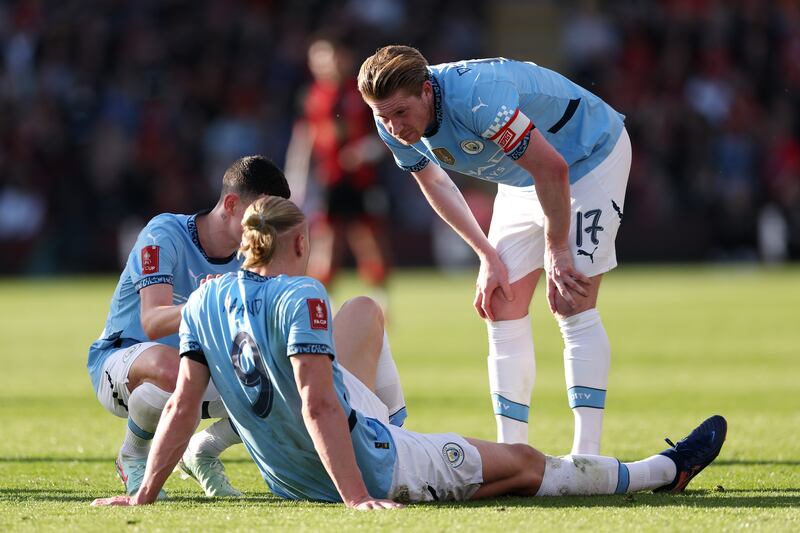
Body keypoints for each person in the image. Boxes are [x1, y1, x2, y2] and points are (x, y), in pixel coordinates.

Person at [91, 196, 726, 509]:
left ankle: (419, 447)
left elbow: (180, 406)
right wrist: (356, 498)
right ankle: (662, 472)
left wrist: (145, 493)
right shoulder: (301, 294)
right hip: (369, 463)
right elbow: (317, 403)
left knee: (366, 314)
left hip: (290, 480)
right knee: (528, 464)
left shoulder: (202, 301)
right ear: (295, 243)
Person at [357, 46, 632, 452]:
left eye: (401, 113)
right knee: (499, 302)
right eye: (383, 117)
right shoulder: (388, 121)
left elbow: (553, 168)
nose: (394, 127)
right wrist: (486, 254)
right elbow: (434, 183)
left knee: (570, 299)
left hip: (589, 158)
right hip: (525, 177)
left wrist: (556, 248)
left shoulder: (478, 98)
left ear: (427, 92)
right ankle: (512, 452)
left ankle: (586, 457)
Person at [86, 155, 291, 499]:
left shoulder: (254, 255)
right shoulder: (165, 234)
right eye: (261, 216)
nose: (268, 229)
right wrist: (207, 303)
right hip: (125, 362)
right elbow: (152, 322)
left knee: (287, 383)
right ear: (230, 204)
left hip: (199, 375)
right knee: (173, 367)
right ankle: (133, 454)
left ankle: (202, 452)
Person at [285, 37, 391, 299]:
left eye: (329, 57)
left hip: (362, 179)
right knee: (326, 243)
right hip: (329, 180)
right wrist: (295, 181)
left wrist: (365, 151)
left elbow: (387, 134)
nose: (324, 64)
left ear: (343, 57)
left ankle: (380, 303)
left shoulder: (363, 92)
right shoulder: (311, 96)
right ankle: (321, 304)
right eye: (317, 58)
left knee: (368, 240)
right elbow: (303, 141)